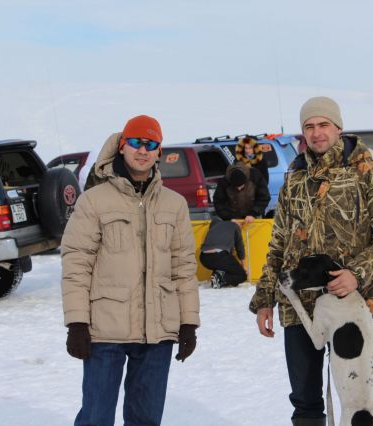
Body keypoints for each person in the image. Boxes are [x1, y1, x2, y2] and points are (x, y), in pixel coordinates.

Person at [249, 96, 373, 426]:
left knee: (358, 400)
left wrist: (356, 274)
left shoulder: (368, 173)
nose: (317, 133)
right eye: (309, 126)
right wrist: (264, 298)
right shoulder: (294, 178)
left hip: (351, 303)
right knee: (305, 400)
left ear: (338, 128)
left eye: (323, 125)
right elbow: (278, 244)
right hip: (300, 306)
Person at [60, 115, 200, 426]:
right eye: (136, 142)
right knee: (96, 418)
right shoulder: (93, 201)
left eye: (151, 144)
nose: (142, 150)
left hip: (157, 331)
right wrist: (77, 323)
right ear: (122, 146)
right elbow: (76, 263)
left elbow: (184, 267)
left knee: (146, 419)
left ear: (159, 152)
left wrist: (189, 323)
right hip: (104, 330)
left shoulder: (174, 204)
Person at [199, 216, 247, 288]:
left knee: (222, 266)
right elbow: (240, 247)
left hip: (204, 258)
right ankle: (220, 278)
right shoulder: (235, 226)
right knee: (242, 275)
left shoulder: (216, 224)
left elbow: (215, 219)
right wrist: (244, 266)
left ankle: (217, 278)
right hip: (219, 255)